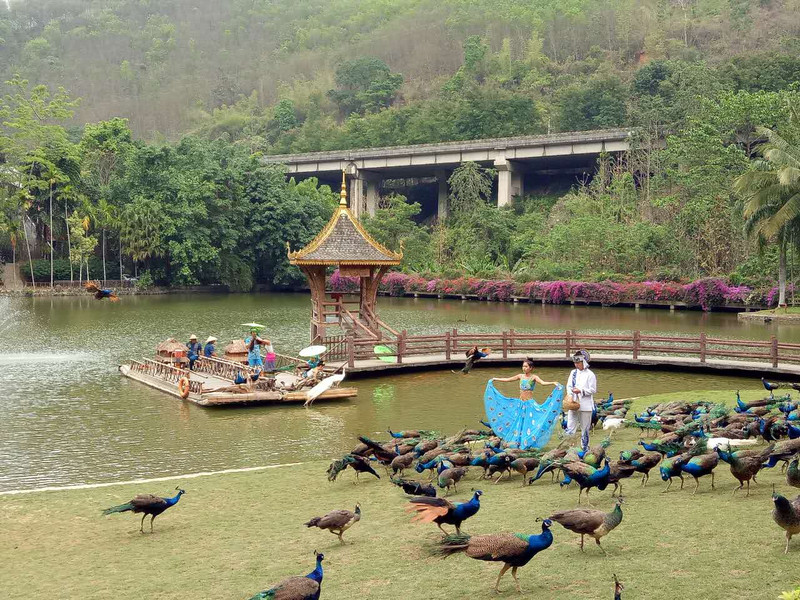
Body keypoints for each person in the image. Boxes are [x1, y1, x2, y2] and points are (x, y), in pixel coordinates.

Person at [483, 357, 564, 449]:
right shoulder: (520, 376)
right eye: (523, 366)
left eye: (526, 366)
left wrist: (553, 383)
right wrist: (495, 379)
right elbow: (508, 379)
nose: (524, 368)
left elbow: (543, 383)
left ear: (531, 368)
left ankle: (526, 442)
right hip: (520, 404)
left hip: (529, 404)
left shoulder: (534, 377)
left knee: (528, 423)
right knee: (519, 422)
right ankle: (518, 441)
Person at [564, 349, 597, 450]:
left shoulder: (590, 374)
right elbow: (568, 385)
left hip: (585, 405)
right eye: (575, 362)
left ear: (584, 362)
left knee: (585, 428)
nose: (576, 365)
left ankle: (584, 448)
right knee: (570, 425)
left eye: (578, 362)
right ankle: (569, 447)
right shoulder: (573, 373)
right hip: (573, 404)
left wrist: (581, 391)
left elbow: (593, 389)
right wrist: (570, 394)